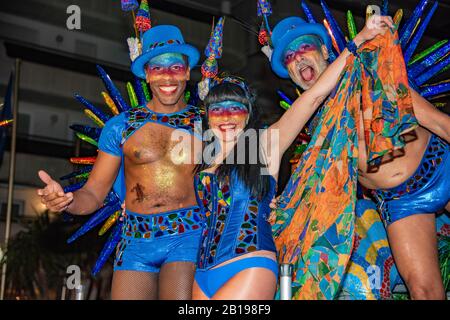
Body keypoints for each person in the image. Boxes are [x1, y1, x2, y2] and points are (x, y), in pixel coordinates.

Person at [191, 17, 391, 300]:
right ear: (207, 116)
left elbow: (314, 97)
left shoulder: (264, 144)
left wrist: (358, 41)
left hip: (249, 265)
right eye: (218, 109)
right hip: (202, 273)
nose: (226, 117)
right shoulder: (202, 158)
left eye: (235, 109)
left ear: (247, 115)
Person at [270, 14, 450, 299]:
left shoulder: (369, 74)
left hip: (440, 165)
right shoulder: (313, 129)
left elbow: (439, 122)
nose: (298, 58)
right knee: (424, 291)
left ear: (325, 51)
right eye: (289, 57)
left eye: (305, 47)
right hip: (401, 201)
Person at [36, 25, 205, 300]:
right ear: (146, 75)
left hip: (187, 238)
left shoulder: (206, 124)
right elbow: (93, 194)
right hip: (135, 241)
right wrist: (67, 200)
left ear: (187, 72)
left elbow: (240, 173)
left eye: (175, 67)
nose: (167, 76)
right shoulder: (121, 127)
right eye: (157, 68)